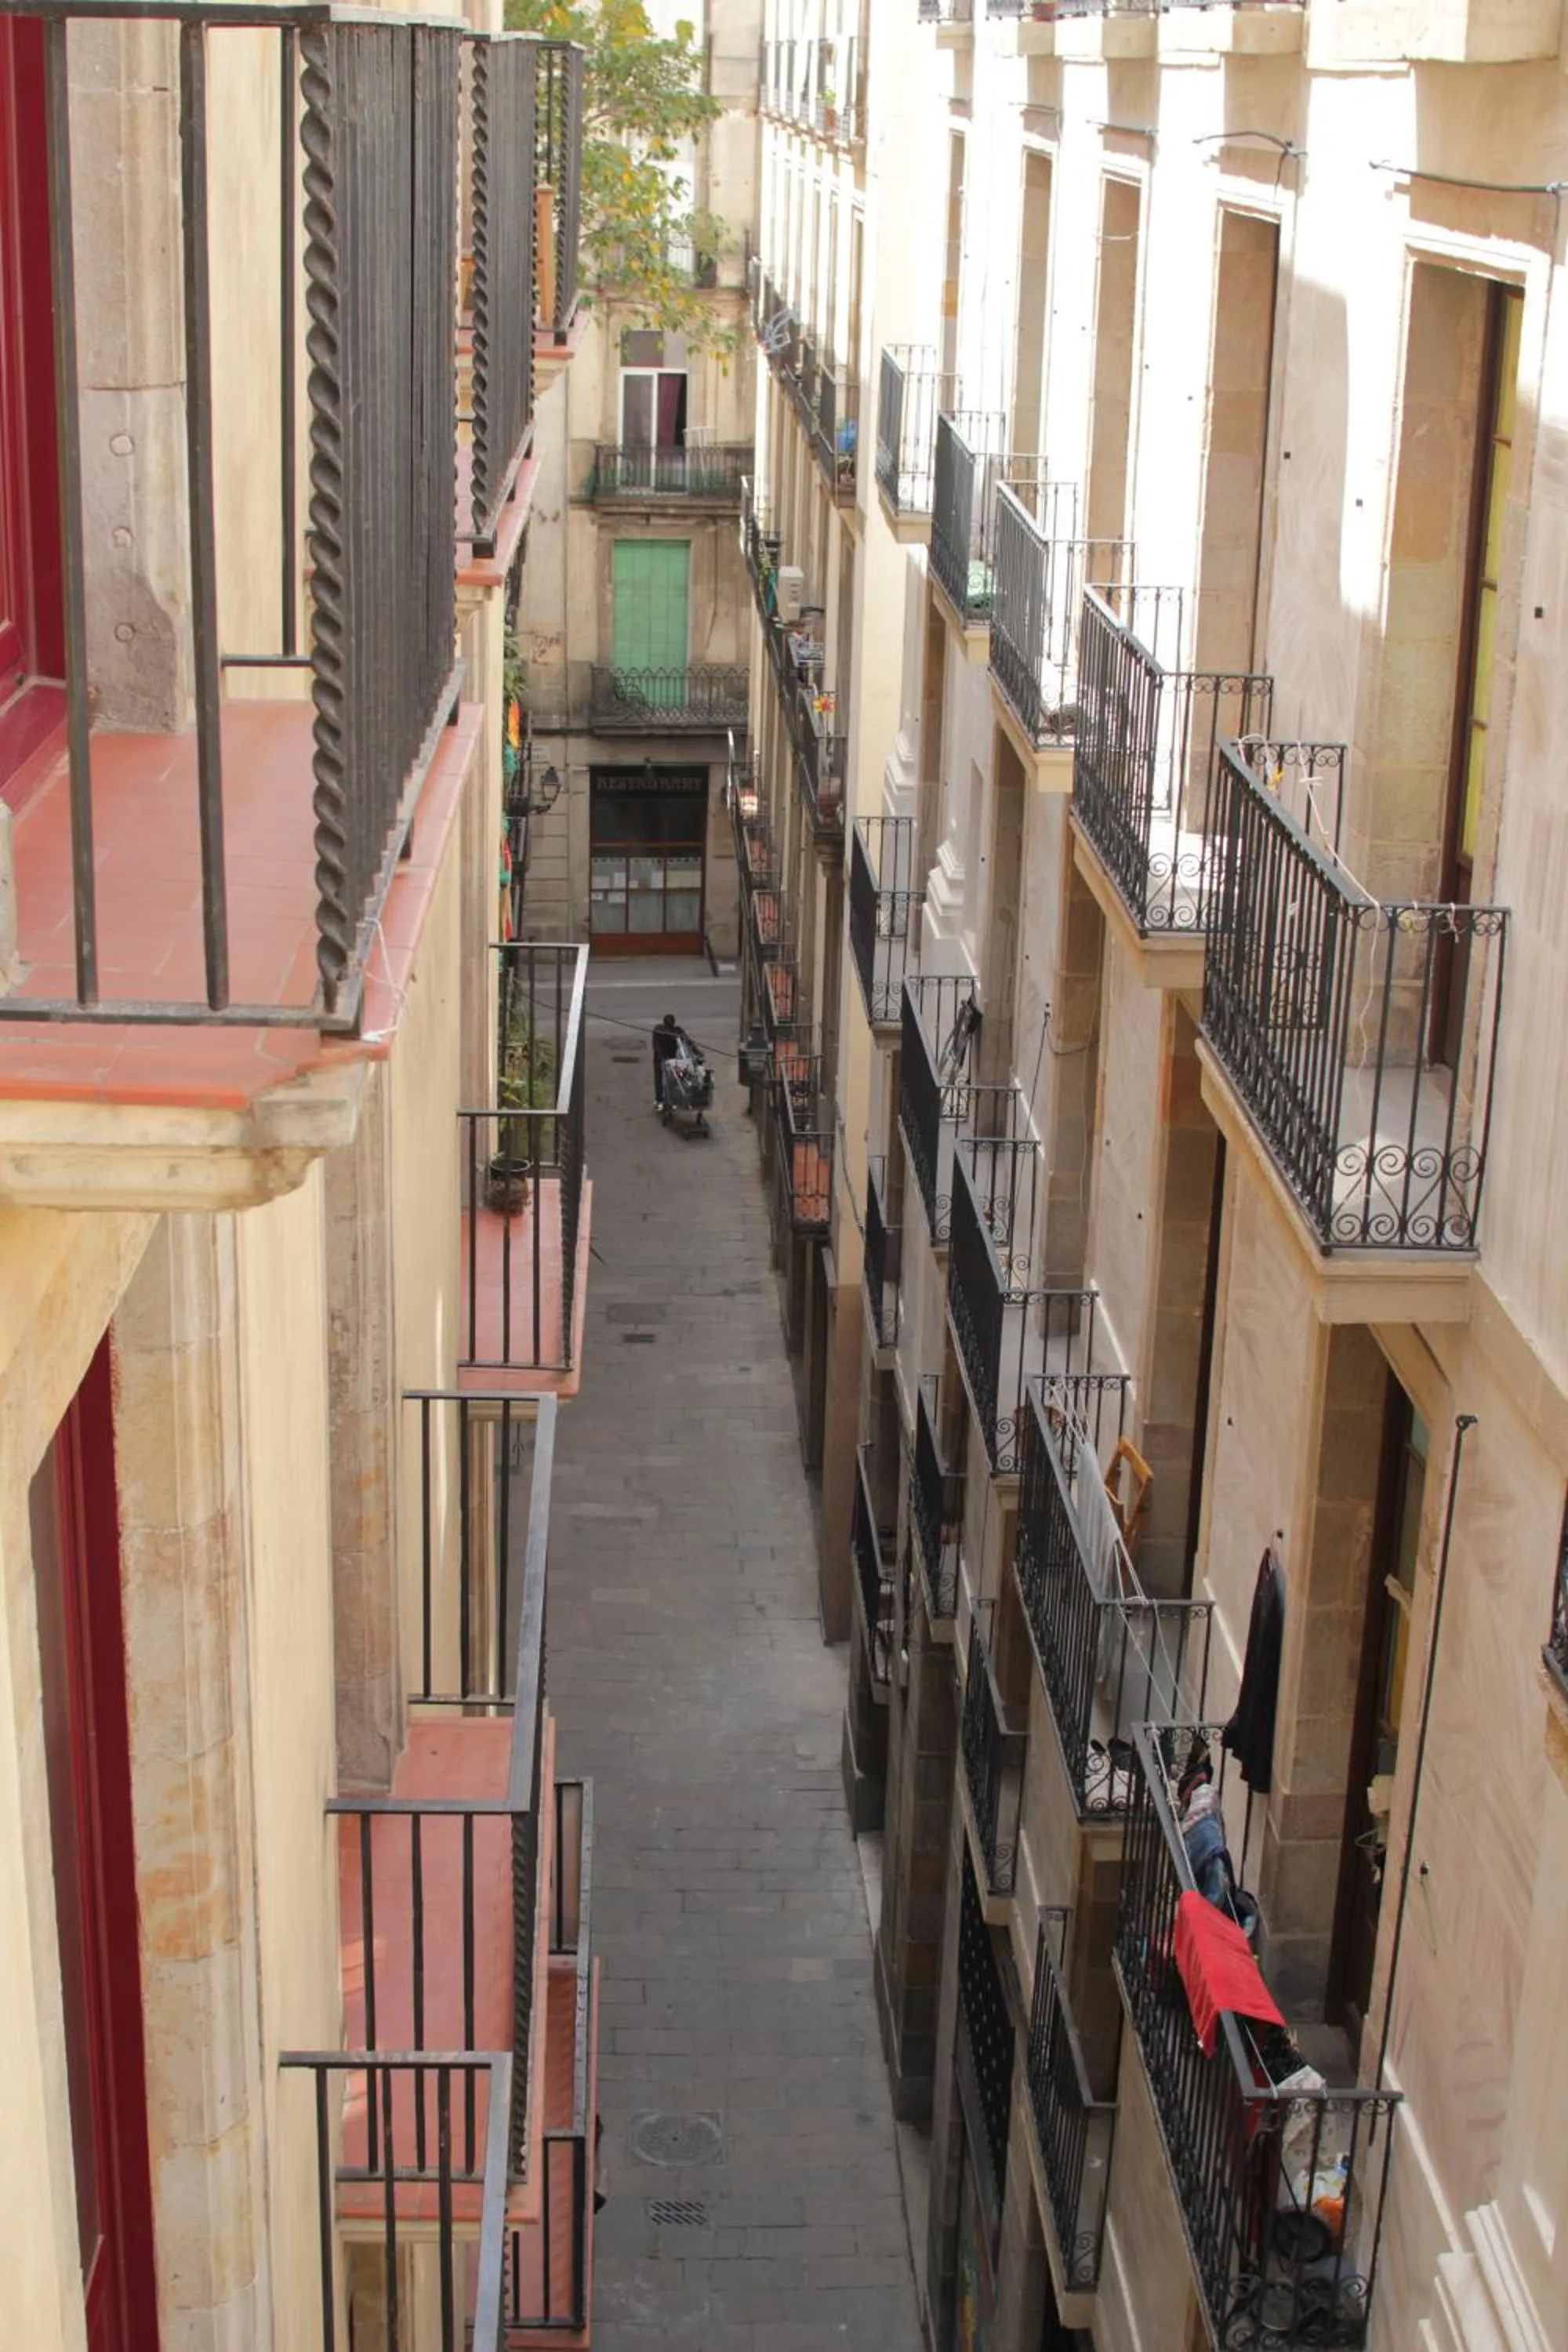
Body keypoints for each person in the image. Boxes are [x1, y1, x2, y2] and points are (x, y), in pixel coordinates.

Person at [652, 1011, 682, 1110]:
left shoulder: (677, 1031)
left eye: (671, 1025)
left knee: (673, 1079)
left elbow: (688, 1041)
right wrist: (661, 1057)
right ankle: (659, 1099)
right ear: (664, 1024)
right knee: (660, 1078)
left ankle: (672, 1099)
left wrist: (697, 1052)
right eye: (668, 1025)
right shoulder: (659, 1030)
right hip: (660, 1058)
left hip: (672, 1059)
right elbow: (656, 1045)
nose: (669, 1027)